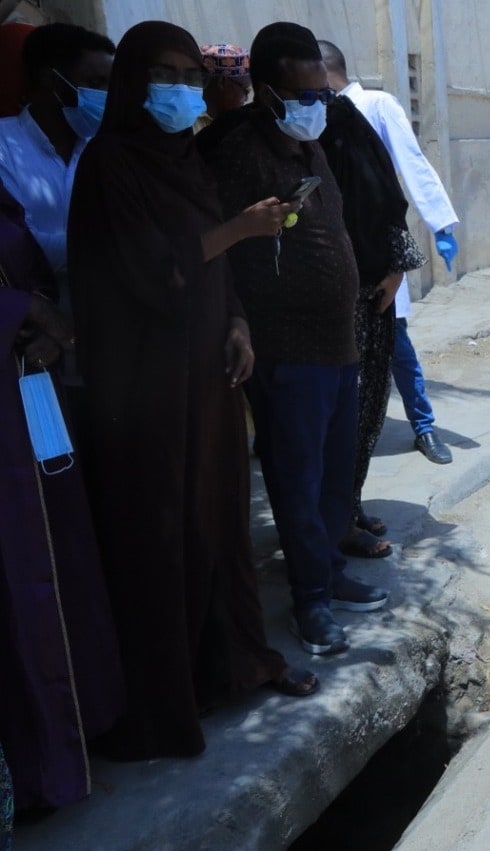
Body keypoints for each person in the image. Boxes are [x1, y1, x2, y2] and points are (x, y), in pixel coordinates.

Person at [68, 20, 318, 761]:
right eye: (164, 74)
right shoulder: (110, 164)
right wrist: (240, 230)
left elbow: (210, 268)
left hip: (207, 375)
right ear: (132, 83)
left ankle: (237, 663)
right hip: (143, 388)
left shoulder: (185, 161)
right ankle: (164, 703)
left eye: (188, 74)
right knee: (157, 533)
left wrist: (238, 324)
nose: (180, 88)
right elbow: (142, 274)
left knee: (218, 522)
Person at [205, 21, 389, 657]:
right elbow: (221, 245)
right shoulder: (237, 150)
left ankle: (331, 573)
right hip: (284, 348)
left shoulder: (308, 143)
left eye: (322, 93)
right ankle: (309, 600)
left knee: (337, 475)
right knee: (297, 478)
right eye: (303, 93)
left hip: (338, 341)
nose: (317, 105)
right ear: (266, 89)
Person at [0, 180, 124, 808]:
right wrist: (21, 310)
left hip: (30, 397)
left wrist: (45, 320)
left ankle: (84, 728)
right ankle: (34, 773)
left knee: (61, 551)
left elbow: (28, 273)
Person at [321, 40, 459, 466]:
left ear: (324, 71)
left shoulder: (377, 105)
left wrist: (441, 223)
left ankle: (424, 426)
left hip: (377, 250)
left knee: (396, 346)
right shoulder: (312, 114)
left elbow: (411, 161)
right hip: (332, 250)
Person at [316, 70, 425, 560]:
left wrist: (397, 272)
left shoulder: (347, 126)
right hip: (314, 310)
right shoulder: (279, 148)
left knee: (364, 412)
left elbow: (386, 201)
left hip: (370, 299)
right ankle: (329, 524)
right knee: (328, 421)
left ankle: (348, 504)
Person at [0, 23, 114, 402]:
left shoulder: (110, 150)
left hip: (114, 350)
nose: (107, 95)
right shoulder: (4, 146)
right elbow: (15, 248)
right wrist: (109, 247)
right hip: (32, 354)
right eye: (96, 82)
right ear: (53, 81)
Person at [197, 42, 249, 130]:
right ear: (222, 82)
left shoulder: (238, 121)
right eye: (245, 89)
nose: (246, 98)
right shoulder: (188, 123)